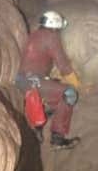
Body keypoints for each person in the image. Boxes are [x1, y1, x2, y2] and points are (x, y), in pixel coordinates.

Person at [14, 10, 83, 150]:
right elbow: (63, 64)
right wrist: (77, 84)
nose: (59, 31)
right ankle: (58, 138)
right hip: (33, 81)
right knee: (69, 93)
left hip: (24, 80)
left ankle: (42, 117)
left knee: (54, 85)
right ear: (54, 26)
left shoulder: (35, 34)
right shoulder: (51, 36)